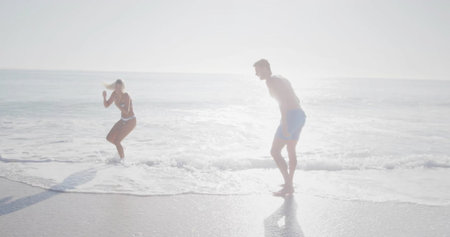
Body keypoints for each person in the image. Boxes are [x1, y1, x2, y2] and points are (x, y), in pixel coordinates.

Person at [253, 59, 306, 196]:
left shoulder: (270, 81)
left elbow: (282, 102)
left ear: (265, 68)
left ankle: (288, 186)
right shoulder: (281, 78)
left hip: (291, 116)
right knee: (290, 149)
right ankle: (289, 183)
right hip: (300, 114)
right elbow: (296, 99)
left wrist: (284, 123)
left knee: (275, 152)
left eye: (257, 70)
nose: (256, 74)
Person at [102, 79, 136, 160]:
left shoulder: (126, 96)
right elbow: (106, 105)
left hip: (131, 121)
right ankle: (121, 148)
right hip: (123, 120)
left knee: (117, 141)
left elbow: (126, 112)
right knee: (109, 138)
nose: (118, 89)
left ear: (122, 87)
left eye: (120, 87)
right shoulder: (114, 94)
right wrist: (104, 97)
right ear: (114, 87)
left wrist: (117, 104)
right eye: (116, 87)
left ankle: (122, 162)